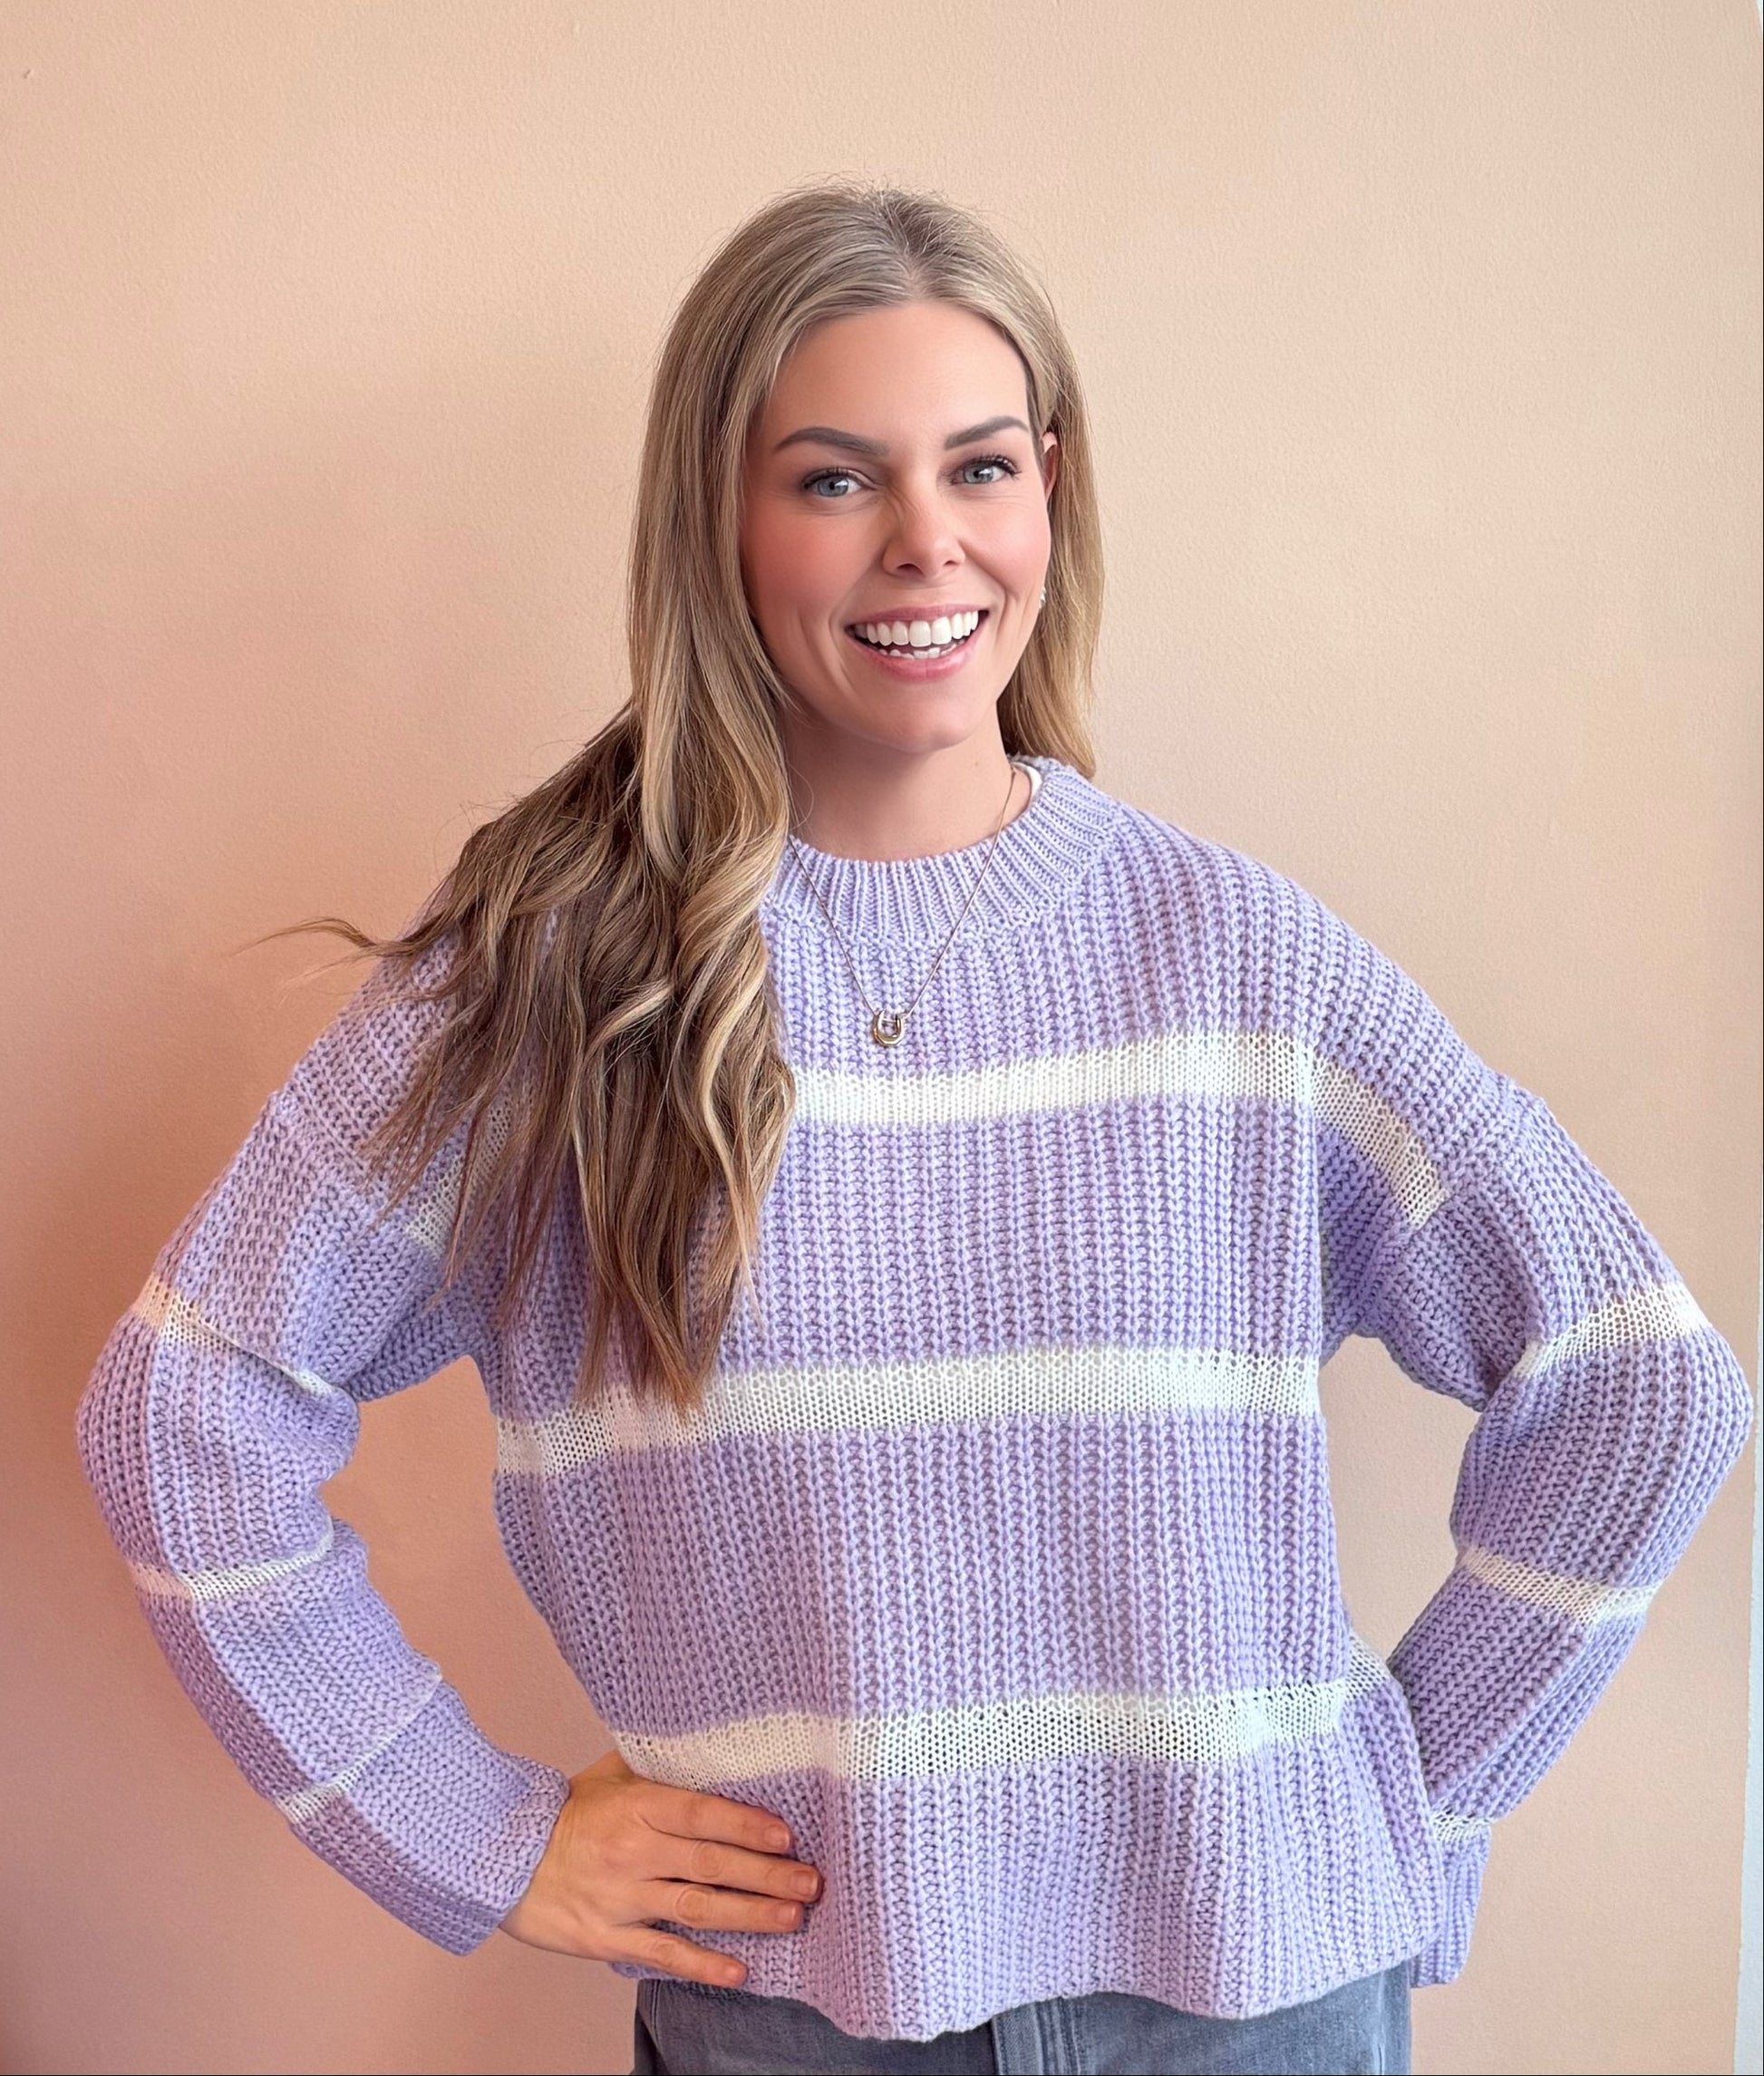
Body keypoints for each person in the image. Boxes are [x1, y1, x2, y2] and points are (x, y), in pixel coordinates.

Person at [75, 180, 1754, 2076]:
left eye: (978, 465)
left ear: (1049, 491)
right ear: (715, 519)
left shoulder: (1239, 965)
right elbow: (180, 1411)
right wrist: (475, 1830)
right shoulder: (550, 980)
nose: (925, 541)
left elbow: (1639, 1382)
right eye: (832, 478)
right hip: (794, 2026)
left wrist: (1410, 1798)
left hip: (1258, 2014)